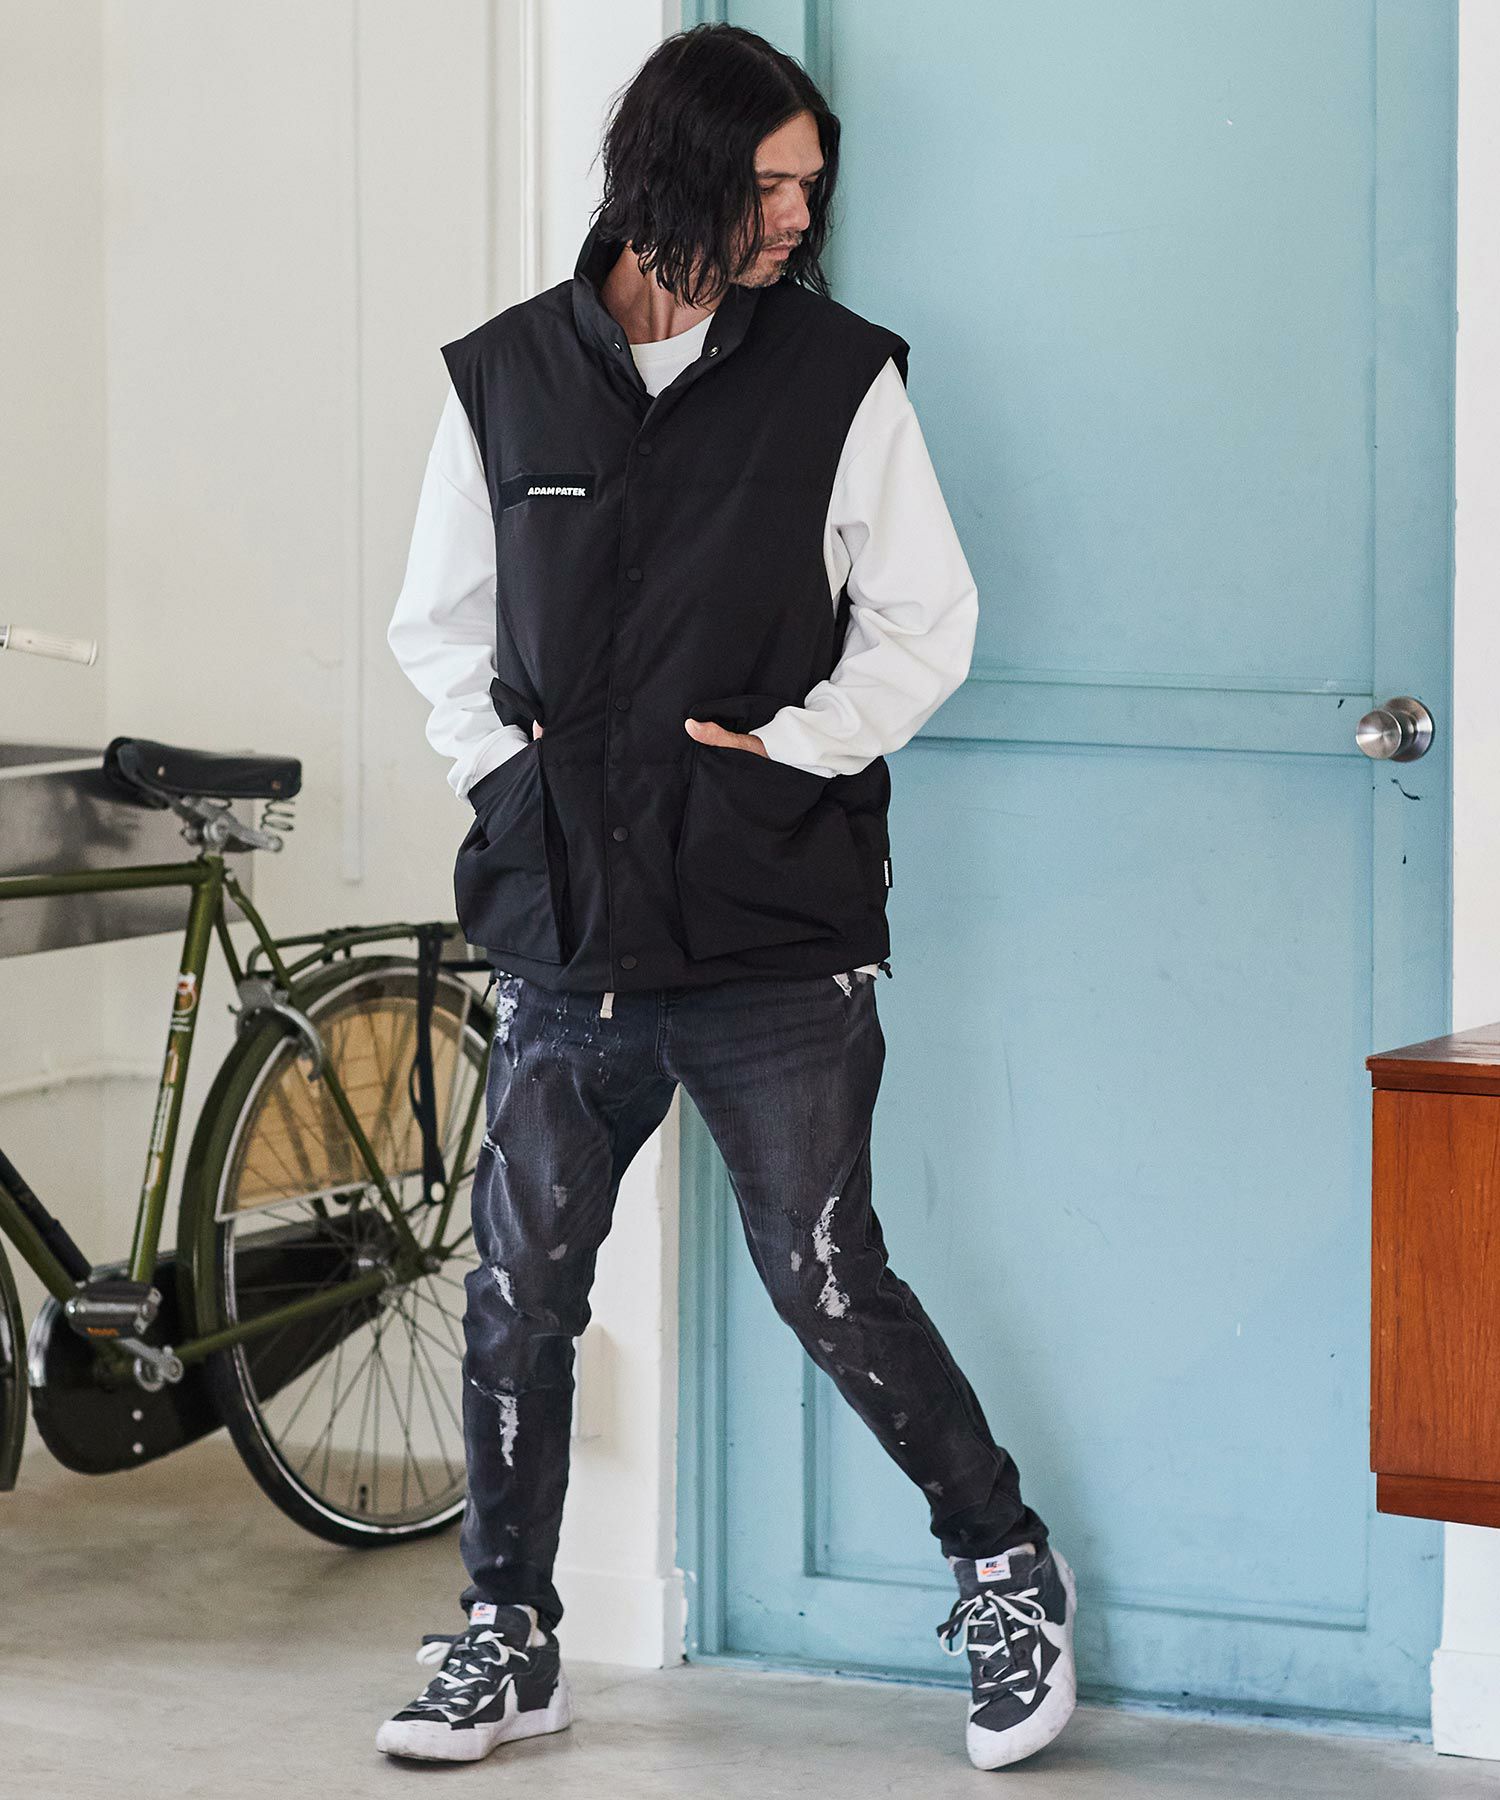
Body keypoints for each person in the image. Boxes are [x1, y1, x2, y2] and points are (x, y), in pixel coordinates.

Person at [380, 19, 1076, 1774]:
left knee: (826, 1275)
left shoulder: (840, 379)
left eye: (809, 187)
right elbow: (440, 629)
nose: (795, 216)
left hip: (771, 930)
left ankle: (1006, 1570)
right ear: (672, 174)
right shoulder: (503, 378)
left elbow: (926, 621)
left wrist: (795, 750)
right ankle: (509, 1635)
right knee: (520, 1291)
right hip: (563, 931)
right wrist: (504, 779)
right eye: (769, 184)